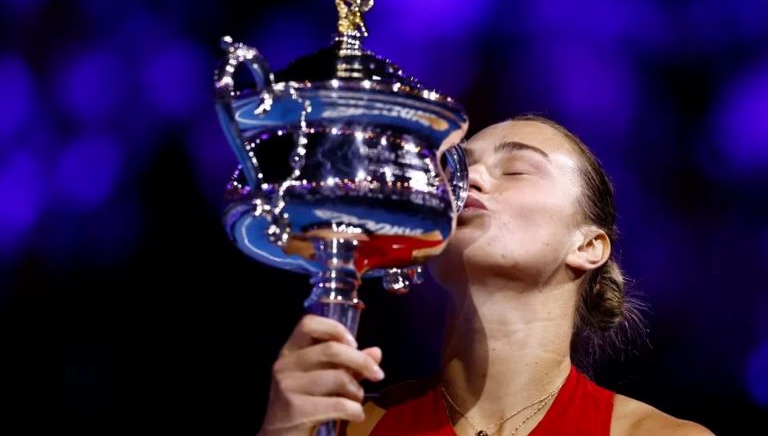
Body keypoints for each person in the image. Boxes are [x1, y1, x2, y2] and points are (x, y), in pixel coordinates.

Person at [256, 116, 713, 435]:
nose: (469, 179)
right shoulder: (350, 426)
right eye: (459, 168)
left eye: (516, 169)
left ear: (587, 246)